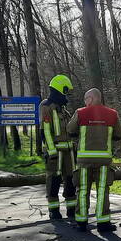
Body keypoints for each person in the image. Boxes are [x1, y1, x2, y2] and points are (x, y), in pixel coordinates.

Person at [67, 88, 121, 233]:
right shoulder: (112, 114)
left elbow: (70, 130)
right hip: (104, 161)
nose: (85, 102)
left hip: (84, 161)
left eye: (86, 99)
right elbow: (120, 134)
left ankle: (81, 222)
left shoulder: (80, 113)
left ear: (91, 98)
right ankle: (103, 224)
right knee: (102, 191)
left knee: (82, 190)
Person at [39, 74, 76, 220]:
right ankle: (54, 211)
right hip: (55, 153)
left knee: (71, 181)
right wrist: (51, 152)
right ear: (60, 89)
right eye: (66, 90)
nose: (67, 94)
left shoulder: (63, 109)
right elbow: (45, 132)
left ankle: (71, 209)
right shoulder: (46, 106)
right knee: (53, 181)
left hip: (68, 152)